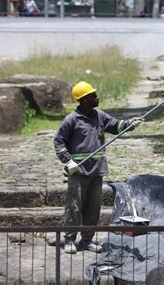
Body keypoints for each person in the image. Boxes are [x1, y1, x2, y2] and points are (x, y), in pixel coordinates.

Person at [53, 81, 142, 254]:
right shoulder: (71, 120)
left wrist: (130, 124)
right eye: (93, 95)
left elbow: (116, 126)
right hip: (78, 172)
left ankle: (87, 240)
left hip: (97, 170)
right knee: (74, 207)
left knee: (93, 208)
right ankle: (70, 240)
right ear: (84, 100)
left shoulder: (99, 116)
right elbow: (58, 142)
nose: (97, 97)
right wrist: (68, 161)